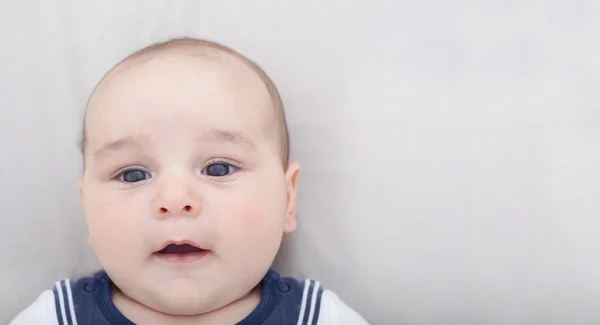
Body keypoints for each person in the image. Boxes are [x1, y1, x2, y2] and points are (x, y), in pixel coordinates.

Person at [10, 37, 369, 325]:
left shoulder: (320, 317)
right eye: (133, 175)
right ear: (86, 209)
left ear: (288, 199)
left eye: (218, 169)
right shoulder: (55, 317)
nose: (175, 198)